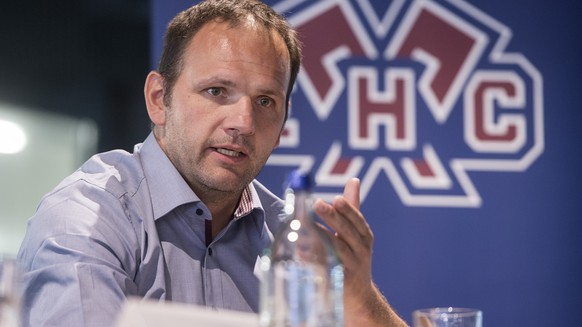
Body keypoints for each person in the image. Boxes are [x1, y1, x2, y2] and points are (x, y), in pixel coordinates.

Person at [16, 0, 408, 326]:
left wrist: (360, 300)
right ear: (158, 98)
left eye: (265, 101)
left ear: (284, 120)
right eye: (217, 91)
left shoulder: (290, 245)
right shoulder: (85, 218)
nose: (243, 123)